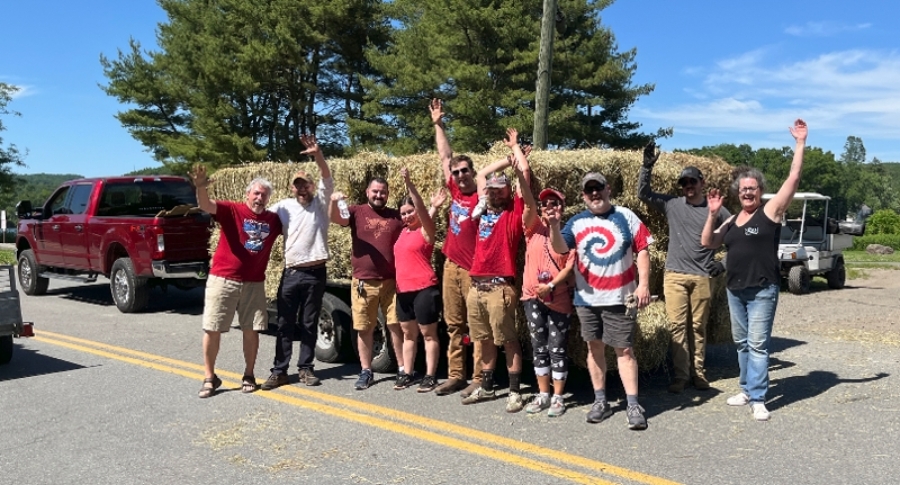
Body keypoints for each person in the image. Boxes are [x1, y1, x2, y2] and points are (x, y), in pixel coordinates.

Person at [702, 119, 808, 422]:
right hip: (735, 290)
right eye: (743, 189)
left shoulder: (770, 212)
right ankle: (747, 389)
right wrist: (711, 215)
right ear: (738, 192)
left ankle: (759, 397)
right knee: (742, 343)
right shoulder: (731, 220)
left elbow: (794, 178)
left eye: (752, 188)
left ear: (761, 191)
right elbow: (707, 242)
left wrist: (800, 142)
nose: (747, 193)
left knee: (759, 345)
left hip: (762, 289)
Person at [549, 172, 653, 430]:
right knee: (594, 349)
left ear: (608, 189)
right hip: (587, 299)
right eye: (589, 190)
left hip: (620, 298)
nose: (594, 194)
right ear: (583, 195)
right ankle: (600, 401)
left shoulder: (627, 216)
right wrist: (553, 225)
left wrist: (644, 285)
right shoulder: (575, 222)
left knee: (625, 350)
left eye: (598, 188)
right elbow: (560, 248)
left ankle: (632, 404)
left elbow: (643, 250)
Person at [638, 142, 731, 393]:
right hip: (675, 275)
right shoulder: (673, 205)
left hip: (702, 276)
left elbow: (739, 238)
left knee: (697, 328)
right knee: (677, 327)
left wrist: (723, 263)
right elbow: (643, 194)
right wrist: (647, 167)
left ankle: (699, 375)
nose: (688, 187)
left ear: (701, 183)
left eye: (692, 182)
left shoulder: (717, 210)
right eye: (684, 183)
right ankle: (681, 376)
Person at [191, 165, 283, 398]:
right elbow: (205, 205)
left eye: (264, 195)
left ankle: (249, 374)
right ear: (247, 195)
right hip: (223, 279)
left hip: (254, 283)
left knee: (251, 330)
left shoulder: (273, 220)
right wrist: (200, 187)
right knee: (212, 328)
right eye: (256, 193)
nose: (259, 198)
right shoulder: (232, 210)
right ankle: (210, 377)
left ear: (269, 199)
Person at [461, 128, 532, 413]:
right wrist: (506, 159)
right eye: (491, 189)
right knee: (485, 340)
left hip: (500, 287)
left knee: (508, 339)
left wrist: (516, 154)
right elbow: (481, 175)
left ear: (507, 191)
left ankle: (514, 391)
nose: (492, 191)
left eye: (499, 188)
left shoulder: (513, 215)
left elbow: (524, 177)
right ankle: (488, 386)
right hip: (476, 287)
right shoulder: (483, 210)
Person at [261, 135, 333, 390]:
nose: (302, 189)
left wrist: (318, 154)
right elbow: (259, 217)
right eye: (298, 185)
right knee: (284, 323)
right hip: (291, 273)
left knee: (309, 323)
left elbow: (327, 176)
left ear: (312, 187)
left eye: (306, 185)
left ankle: (305, 368)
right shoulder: (283, 207)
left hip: (315, 273)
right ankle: (279, 370)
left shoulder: (322, 205)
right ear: (292, 188)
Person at [428, 98, 484, 397]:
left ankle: (478, 376)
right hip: (451, 265)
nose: (460, 175)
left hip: (475, 270)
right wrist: (439, 125)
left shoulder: (484, 197)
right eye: (458, 172)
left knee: (475, 327)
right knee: (454, 324)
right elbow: (444, 156)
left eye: (465, 171)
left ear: (474, 173)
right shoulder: (454, 191)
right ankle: (455, 374)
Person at [331, 177, 405, 390]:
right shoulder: (356, 211)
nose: (379, 195)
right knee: (365, 328)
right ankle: (366, 371)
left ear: (388, 194)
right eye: (375, 191)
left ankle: (402, 368)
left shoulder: (395, 216)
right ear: (367, 192)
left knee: (395, 325)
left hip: (391, 281)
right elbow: (338, 219)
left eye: (383, 192)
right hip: (364, 281)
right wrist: (334, 201)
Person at [521, 188, 576, 417]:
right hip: (532, 298)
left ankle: (558, 397)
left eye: (554, 203)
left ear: (562, 207)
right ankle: (543, 394)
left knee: (557, 348)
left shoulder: (568, 233)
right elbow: (527, 201)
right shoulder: (533, 229)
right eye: (545, 204)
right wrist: (521, 168)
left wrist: (551, 286)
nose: (549, 206)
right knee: (539, 347)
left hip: (558, 300)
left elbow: (567, 265)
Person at [392, 168, 442, 391]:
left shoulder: (426, 231)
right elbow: (423, 212)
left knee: (428, 334)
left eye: (409, 211)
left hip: (424, 289)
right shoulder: (403, 232)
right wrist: (433, 207)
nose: (406, 216)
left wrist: (410, 185)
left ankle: (430, 375)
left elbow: (424, 213)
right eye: (403, 213)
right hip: (403, 291)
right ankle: (407, 373)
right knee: (408, 335)